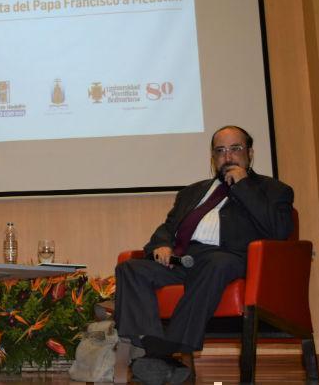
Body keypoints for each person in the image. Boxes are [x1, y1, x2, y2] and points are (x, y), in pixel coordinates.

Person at [114, 126, 294, 385]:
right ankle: (152, 355)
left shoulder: (273, 190)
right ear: (213, 157)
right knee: (131, 268)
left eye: (235, 149)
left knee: (216, 263)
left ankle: (166, 351)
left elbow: (279, 232)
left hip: (229, 257)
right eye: (220, 151)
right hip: (184, 259)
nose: (228, 156)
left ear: (250, 153)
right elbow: (168, 227)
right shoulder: (192, 192)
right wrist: (162, 245)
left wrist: (243, 185)